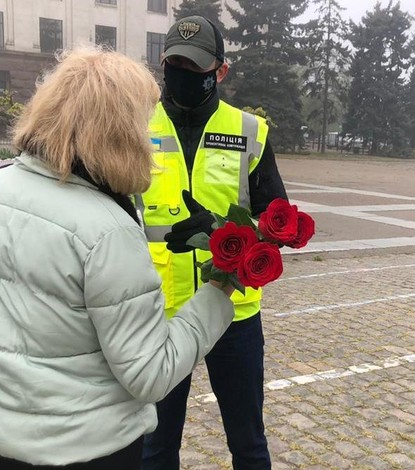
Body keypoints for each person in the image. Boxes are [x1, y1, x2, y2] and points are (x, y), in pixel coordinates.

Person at [0, 47, 236, 470]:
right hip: (86, 448)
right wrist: (219, 291)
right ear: (120, 131)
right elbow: (149, 373)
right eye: (143, 123)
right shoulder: (106, 231)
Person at [139, 16, 287, 470]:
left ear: (220, 71)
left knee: (248, 444)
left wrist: (227, 228)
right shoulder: (133, 125)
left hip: (231, 312)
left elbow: (278, 219)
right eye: (175, 63)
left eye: (196, 66)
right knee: (155, 447)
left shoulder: (249, 130)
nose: (183, 74)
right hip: (157, 312)